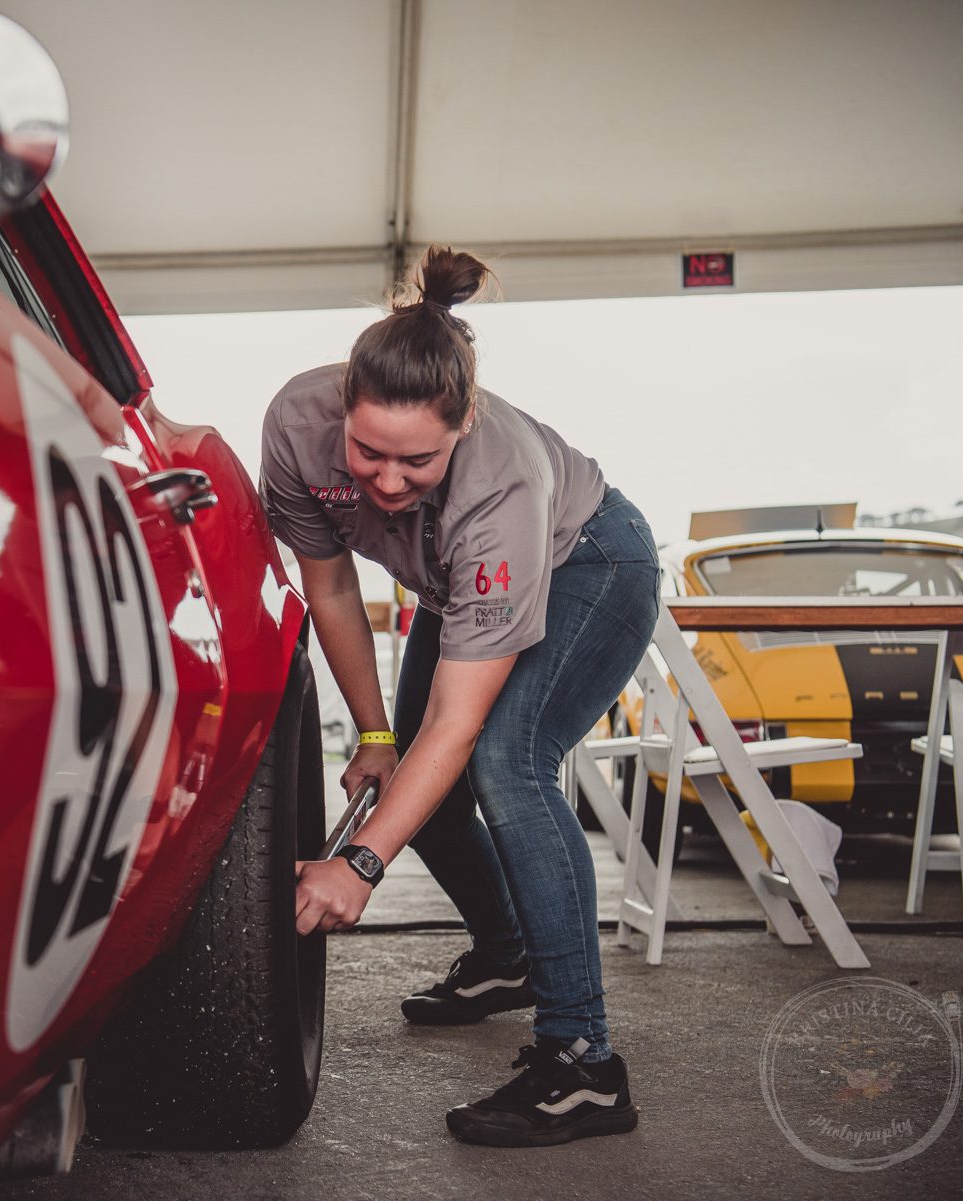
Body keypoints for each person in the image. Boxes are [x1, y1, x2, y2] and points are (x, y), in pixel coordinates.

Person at [262, 246, 659, 1147]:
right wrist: (372, 734)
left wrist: (359, 863)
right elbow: (332, 589)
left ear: (465, 421)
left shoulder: (501, 484)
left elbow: (456, 722)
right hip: (455, 588)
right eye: (367, 452)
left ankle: (583, 1061)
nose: (386, 482)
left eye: (418, 462)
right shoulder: (293, 421)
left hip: (588, 563)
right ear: (343, 404)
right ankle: (506, 955)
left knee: (506, 762)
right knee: (419, 786)